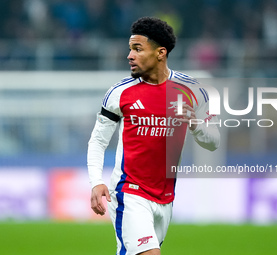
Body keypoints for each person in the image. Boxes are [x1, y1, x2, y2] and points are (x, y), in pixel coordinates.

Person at [87, 17, 220, 255]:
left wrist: (195, 124)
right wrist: (96, 181)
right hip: (129, 191)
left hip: (165, 198)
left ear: (161, 53)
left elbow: (213, 142)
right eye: (130, 49)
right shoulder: (120, 93)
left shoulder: (192, 90)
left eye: (137, 49)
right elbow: (98, 140)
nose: (130, 55)